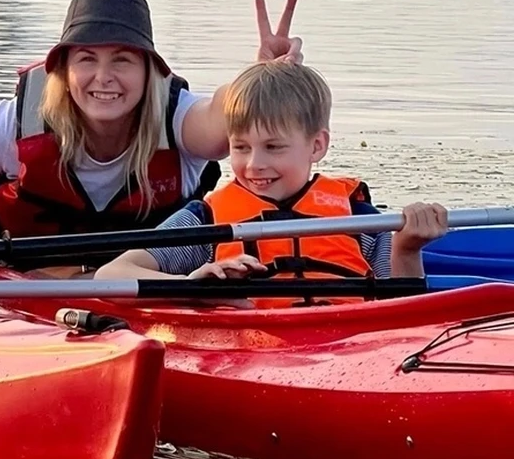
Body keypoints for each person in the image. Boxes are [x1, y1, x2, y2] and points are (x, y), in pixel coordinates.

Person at [0, 0, 302, 246]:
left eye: (122, 60)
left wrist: (259, 75)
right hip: (19, 297)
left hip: (145, 292)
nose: (103, 78)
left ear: (149, 72)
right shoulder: (13, 125)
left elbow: (225, 112)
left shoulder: (179, 121)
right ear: (65, 71)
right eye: (87, 59)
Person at [94, 60, 448, 302]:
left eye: (274, 147)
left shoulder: (361, 218)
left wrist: (407, 247)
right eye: (241, 147)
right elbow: (112, 274)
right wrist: (193, 286)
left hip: (347, 348)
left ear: (317, 145)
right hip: (249, 350)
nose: (253, 164)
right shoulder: (205, 219)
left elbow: (402, 304)